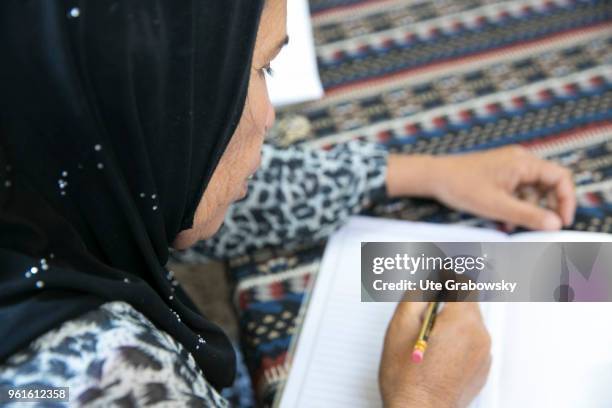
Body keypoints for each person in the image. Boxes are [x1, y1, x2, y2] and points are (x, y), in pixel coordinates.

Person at [0, 1, 573, 407]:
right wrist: (423, 397)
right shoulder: (98, 380)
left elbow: (183, 184)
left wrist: (415, 172)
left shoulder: (49, 181)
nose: (272, 116)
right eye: (261, 68)